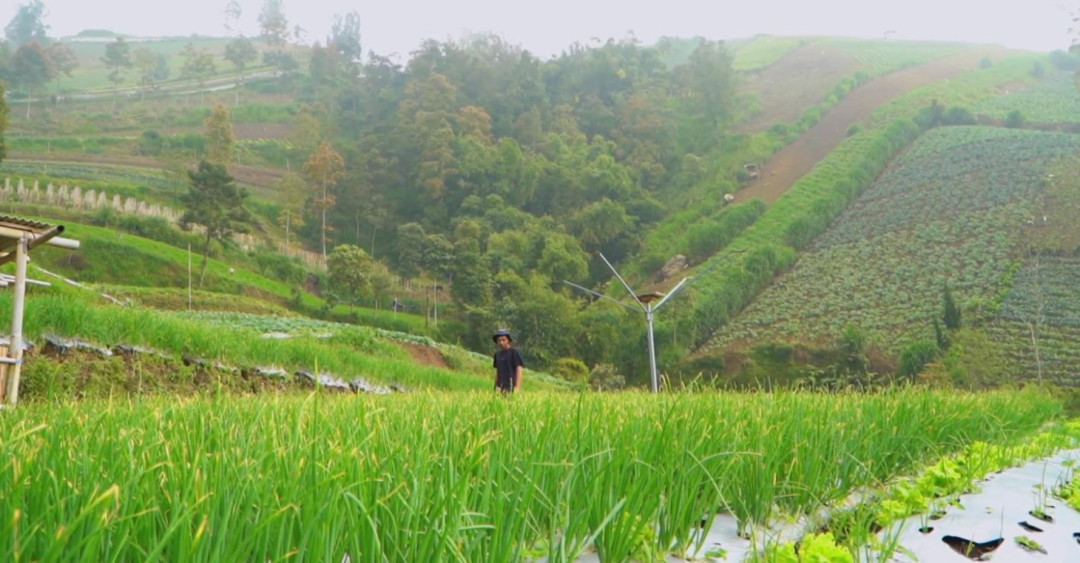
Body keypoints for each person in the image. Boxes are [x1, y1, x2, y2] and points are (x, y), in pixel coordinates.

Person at [492, 329, 524, 393]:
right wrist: (495, 387)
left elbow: (519, 369)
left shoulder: (514, 353)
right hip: (500, 388)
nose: (501, 342)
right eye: (499, 340)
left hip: (511, 386)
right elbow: (498, 372)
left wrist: (517, 387)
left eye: (503, 340)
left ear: (508, 340)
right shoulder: (497, 355)